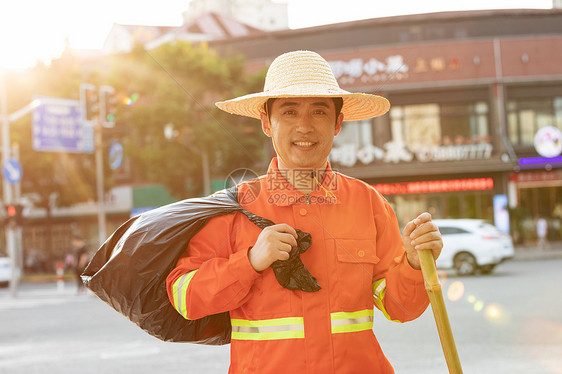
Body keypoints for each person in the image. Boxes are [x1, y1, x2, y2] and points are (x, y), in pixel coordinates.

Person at [166, 50, 443, 373]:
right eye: (289, 111)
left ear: (338, 123)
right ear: (267, 123)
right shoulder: (235, 208)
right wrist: (251, 261)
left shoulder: (369, 204)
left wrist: (413, 262)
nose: (305, 126)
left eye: (320, 112)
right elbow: (185, 298)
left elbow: (401, 308)